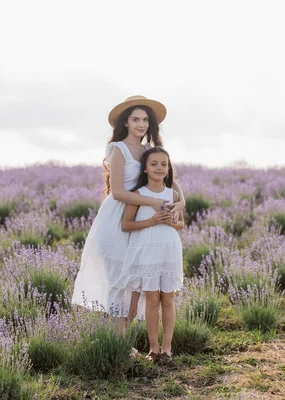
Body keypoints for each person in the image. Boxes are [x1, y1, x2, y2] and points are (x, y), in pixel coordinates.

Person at [71, 95, 185, 335]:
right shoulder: (118, 150)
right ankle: (117, 341)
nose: (141, 124)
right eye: (135, 119)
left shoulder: (147, 150)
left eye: (145, 119)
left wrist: (181, 202)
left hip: (143, 217)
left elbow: (171, 179)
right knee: (119, 280)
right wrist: (153, 201)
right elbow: (120, 192)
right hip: (117, 218)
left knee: (136, 282)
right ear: (125, 122)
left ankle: (121, 339)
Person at [112, 146, 185, 363]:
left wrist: (174, 222)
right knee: (152, 298)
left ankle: (167, 348)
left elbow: (181, 225)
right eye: (154, 164)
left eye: (164, 164)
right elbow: (126, 224)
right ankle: (154, 348)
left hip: (169, 249)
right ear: (144, 168)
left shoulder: (172, 194)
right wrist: (151, 222)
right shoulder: (138, 194)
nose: (159, 168)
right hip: (147, 250)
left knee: (168, 298)